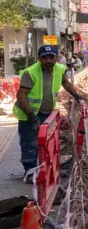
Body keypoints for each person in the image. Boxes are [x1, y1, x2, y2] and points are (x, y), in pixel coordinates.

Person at [14, 45, 84, 182]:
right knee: (30, 144)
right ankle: (30, 173)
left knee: (48, 143)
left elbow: (65, 82)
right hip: (28, 114)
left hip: (47, 113)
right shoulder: (31, 73)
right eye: (44, 58)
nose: (48, 60)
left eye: (51, 57)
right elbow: (21, 95)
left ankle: (47, 171)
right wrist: (31, 115)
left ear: (56, 57)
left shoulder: (59, 69)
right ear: (39, 59)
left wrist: (76, 95)